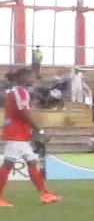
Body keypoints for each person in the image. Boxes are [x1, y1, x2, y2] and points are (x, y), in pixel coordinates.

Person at [0, 69, 59, 205]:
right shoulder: (21, 92)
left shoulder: (13, 92)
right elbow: (25, 113)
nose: (33, 78)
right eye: (31, 76)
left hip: (19, 134)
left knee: (31, 163)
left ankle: (44, 194)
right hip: (17, 135)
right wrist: (39, 129)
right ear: (24, 77)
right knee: (8, 165)